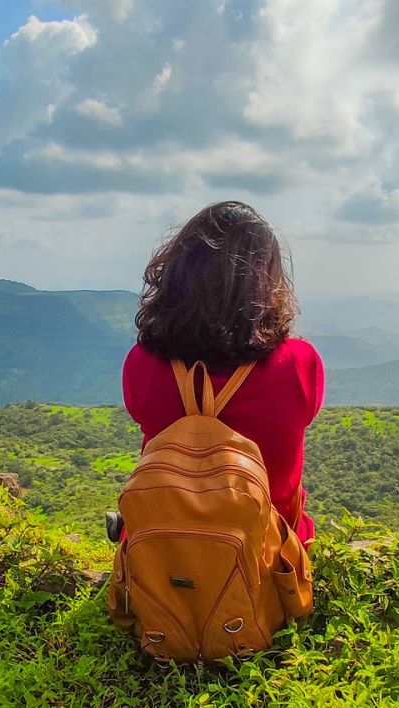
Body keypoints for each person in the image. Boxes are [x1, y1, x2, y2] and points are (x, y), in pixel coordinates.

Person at [121, 201, 324, 545]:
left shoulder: (143, 363)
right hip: (266, 557)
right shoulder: (299, 364)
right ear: (267, 282)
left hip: (162, 553)